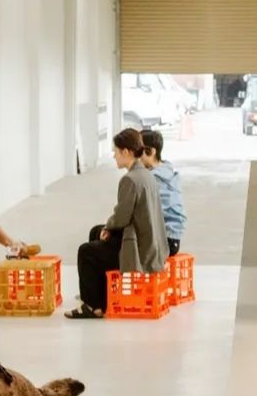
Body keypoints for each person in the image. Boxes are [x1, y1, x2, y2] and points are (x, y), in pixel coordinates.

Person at [66, 129, 168, 320]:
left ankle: (92, 305)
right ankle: (99, 296)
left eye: (116, 151)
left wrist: (109, 227)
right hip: (150, 242)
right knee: (96, 232)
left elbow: (122, 217)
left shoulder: (130, 179)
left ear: (126, 152)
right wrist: (106, 228)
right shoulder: (147, 175)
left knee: (86, 251)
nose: (114, 155)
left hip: (139, 249)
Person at [139, 129, 186, 257]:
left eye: (139, 151)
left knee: (96, 246)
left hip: (164, 240)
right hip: (171, 238)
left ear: (152, 152)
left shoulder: (153, 178)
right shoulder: (166, 170)